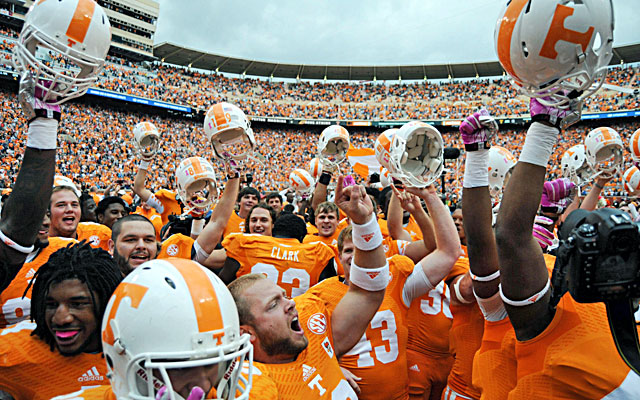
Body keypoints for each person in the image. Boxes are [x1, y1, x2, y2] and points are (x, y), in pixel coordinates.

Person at [494, 98, 640, 398]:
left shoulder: (593, 281)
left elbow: (573, 226)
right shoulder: (540, 297)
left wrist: (596, 186)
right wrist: (544, 127)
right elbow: (513, 237)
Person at [228, 176, 387, 398]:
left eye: (283, 296)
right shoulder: (253, 384)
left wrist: (364, 222)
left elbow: (368, 291)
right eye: (273, 304)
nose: (290, 303)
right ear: (247, 333)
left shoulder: (311, 324)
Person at [307, 184, 461, 400]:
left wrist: (430, 197)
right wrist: (331, 366)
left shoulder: (395, 279)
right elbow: (303, 348)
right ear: (339, 257)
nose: (355, 256)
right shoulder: (320, 294)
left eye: (361, 249)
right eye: (349, 250)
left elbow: (448, 252)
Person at [52, 258, 278, 400]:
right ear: (121, 359)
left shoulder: (256, 389)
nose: (203, 384)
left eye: (213, 364)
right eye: (179, 368)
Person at [0, 242, 122, 399]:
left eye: (77, 304)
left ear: (107, 302)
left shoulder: (140, 347)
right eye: (51, 305)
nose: (60, 319)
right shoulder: (17, 348)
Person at [220, 212, 336, 297]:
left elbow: (223, 282)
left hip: (250, 318)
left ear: (274, 230)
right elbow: (327, 291)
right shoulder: (319, 253)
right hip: (294, 319)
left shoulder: (244, 243)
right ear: (302, 237)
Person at [0, 212, 76, 328]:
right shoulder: (4, 266)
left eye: (47, 215)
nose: (46, 222)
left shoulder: (69, 249)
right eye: (35, 216)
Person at [48, 186, 113, 251]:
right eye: (61, 205)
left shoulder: (100, 233)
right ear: (47, 212)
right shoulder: (40, 245)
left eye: (74, 205)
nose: (70, 209)